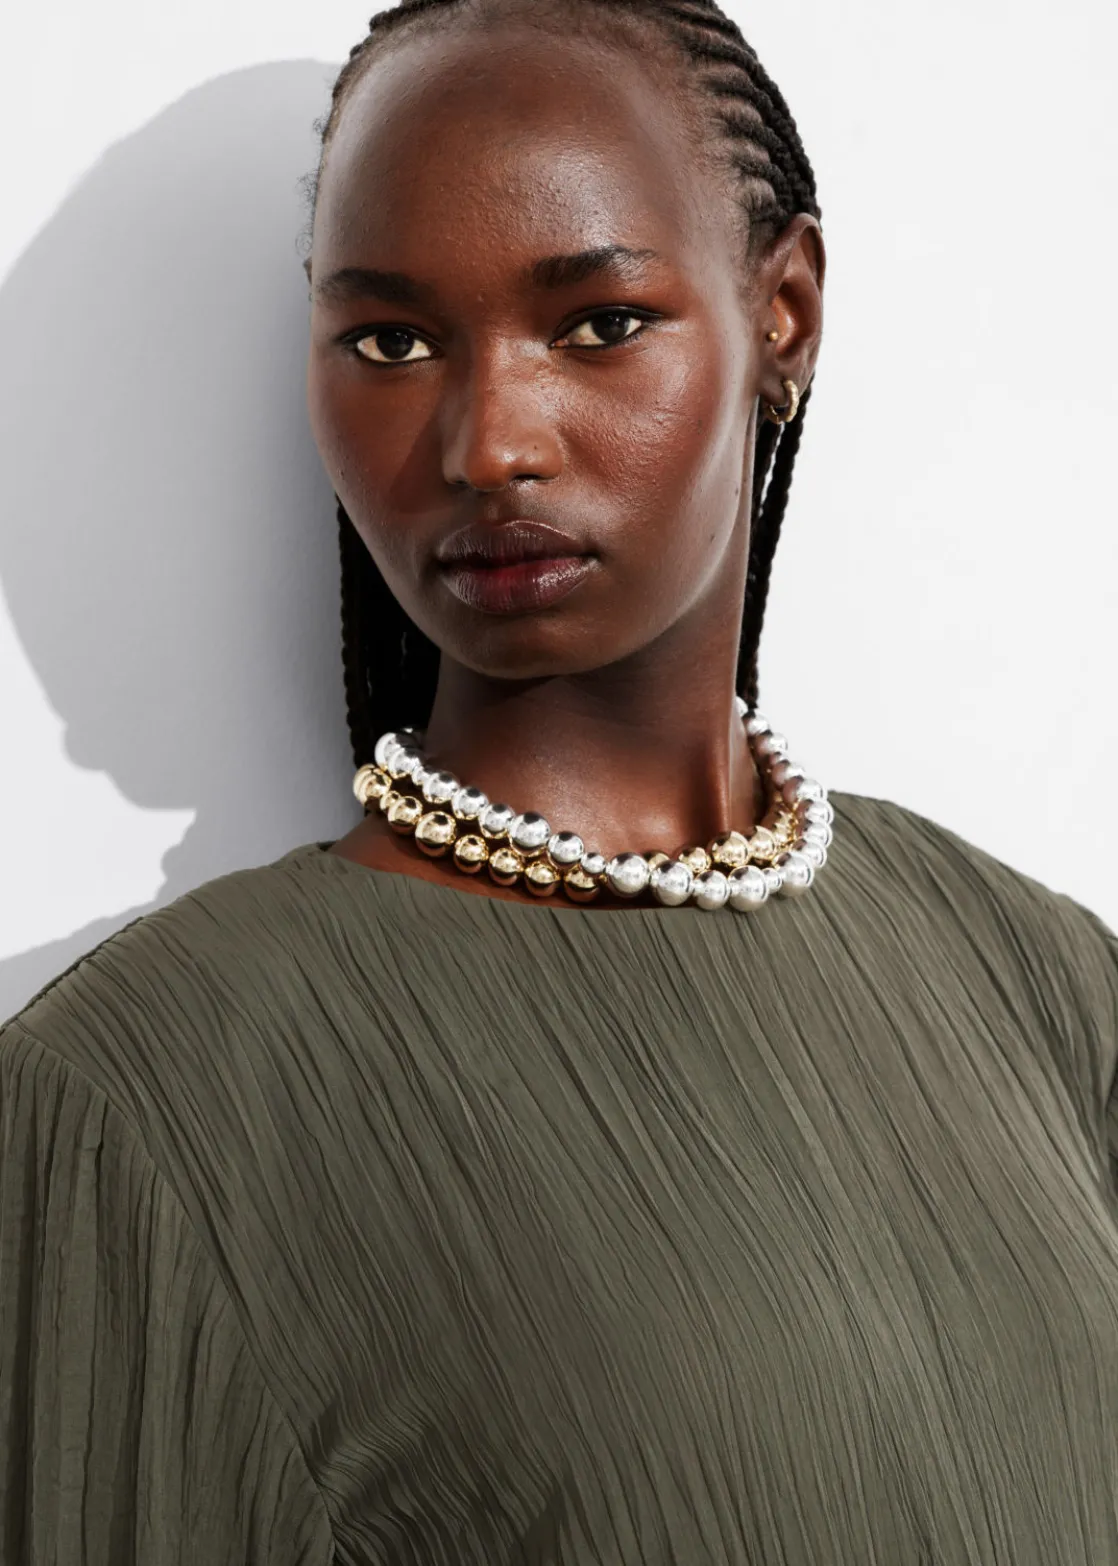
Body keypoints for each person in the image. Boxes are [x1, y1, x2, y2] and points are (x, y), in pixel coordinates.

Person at [2, 0, 1117, 1560]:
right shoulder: (143, 1097)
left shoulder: (1036, 975)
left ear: (782, 314)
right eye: (391, 341)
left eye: (596, 324)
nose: (487, 445)